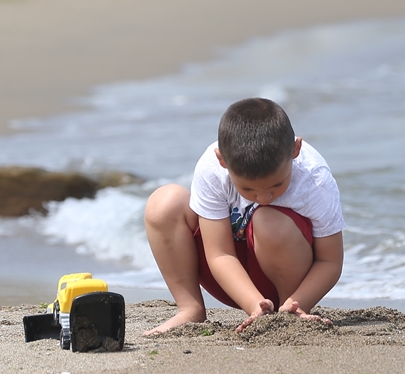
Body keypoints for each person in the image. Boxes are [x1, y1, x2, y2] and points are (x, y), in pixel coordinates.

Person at [142, 98, 345, 335]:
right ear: (222, 161)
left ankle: (289, 312)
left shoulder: (314, 178)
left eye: (277, 185)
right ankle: (190, 309)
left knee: (268, 218)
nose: (263, 197)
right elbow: (219, 253)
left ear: (295, 151)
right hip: (231, 278)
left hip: (291, 277)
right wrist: (252, 305)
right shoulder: (212, 168)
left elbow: (330, 261)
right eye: (248, 189)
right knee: (163, 203)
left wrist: (298, 301)